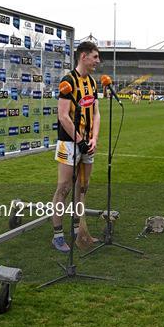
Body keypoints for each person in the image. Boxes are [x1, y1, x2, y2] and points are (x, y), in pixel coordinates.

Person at [51, 41, 101, 253]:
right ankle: (58, 235)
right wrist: (79, 139)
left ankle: (79, 230)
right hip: (69, 142)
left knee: (83, 187)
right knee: (64, 188)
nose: (98, 61)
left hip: (87, 143)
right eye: (95, 57)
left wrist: (93, 139)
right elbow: (63, 116)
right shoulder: (67, 81)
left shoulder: (92, 82)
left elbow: (97, 113)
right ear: (83, 57)